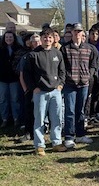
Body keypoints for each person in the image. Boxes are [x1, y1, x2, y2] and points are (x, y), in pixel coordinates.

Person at [23, 28, 67, 156]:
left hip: (55, 92)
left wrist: (60, 85)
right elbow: (26, 74)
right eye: (45, 37)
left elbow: (62, 71)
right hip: (40, 92)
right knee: (40, 119)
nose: (47, 40)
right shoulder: (33, 55)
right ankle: (39, 145)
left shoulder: (57, 53)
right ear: (41, 39)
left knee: (57, 118)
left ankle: (56, 142)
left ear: (53, 39)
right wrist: (33, 88)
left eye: (50, 38)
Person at [61, 23, 99, 148]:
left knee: (81, 111)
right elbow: (61, 66)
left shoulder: (89, 48)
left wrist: (90, 75)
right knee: (70, 111)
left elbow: (94, 64)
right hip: (69, 84)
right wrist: (66, 77)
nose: (77, 33)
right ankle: (69, 137)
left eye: (79, 31)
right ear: (71, 32)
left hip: (84, 84)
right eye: (75, 31)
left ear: (83, 33)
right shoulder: (65, 48)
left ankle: (80, 135)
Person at [0, 31, 24, 128]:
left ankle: (16, 119)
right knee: (3, 100)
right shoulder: (1, 49)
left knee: (15, 99)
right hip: (2, 79)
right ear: (4, 39)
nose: (8, 39)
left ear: (14, 38)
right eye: (7, 37)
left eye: (10, 37)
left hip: (14, 78)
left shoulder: (18, 49)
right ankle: (4, 119)